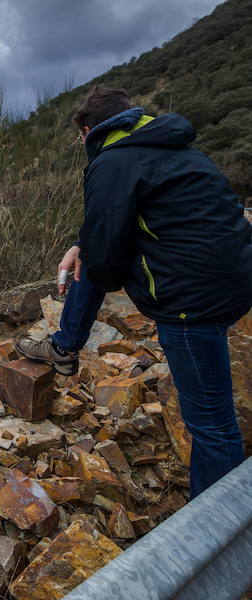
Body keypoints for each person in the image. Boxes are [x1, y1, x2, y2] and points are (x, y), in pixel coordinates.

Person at [15, 86, 252, 498]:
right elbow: (126, 217)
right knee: (95, 251)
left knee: (212, 424)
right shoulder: (178, 149)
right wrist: (83, 245)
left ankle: (216, 537)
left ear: (90, 131)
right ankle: (66, 344)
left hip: (189, 299)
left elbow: (105, 255)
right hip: (235, 279)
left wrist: (90, 260)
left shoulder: (112, 162)